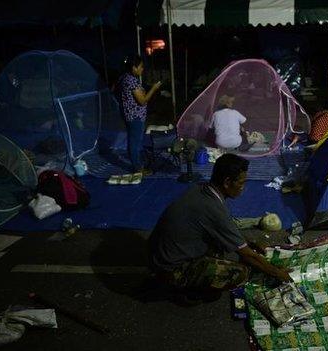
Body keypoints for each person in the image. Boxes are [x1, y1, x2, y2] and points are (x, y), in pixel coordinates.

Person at [148, 153, 292, 301]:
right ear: (227, 182)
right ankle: (183, 288)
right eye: (241, 183)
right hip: (170, 269)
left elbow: (225, 228)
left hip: (159, 254)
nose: (243, 188)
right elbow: (247, 255)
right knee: (240, 273)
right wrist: (278, 273)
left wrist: (249, 243)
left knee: (223, 245)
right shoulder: (213, 208)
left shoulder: (202, 189)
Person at [117, 55, 161, 174]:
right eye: (140, 67)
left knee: (134, 141)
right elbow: (142, 100)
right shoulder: (131, 81)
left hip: (130, 115)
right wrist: (154, 88)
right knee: (135, 143)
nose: (142, 69)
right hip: (134, 116)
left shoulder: (125, 78)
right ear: (133, 67)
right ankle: (138, 168)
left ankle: (137, 164)